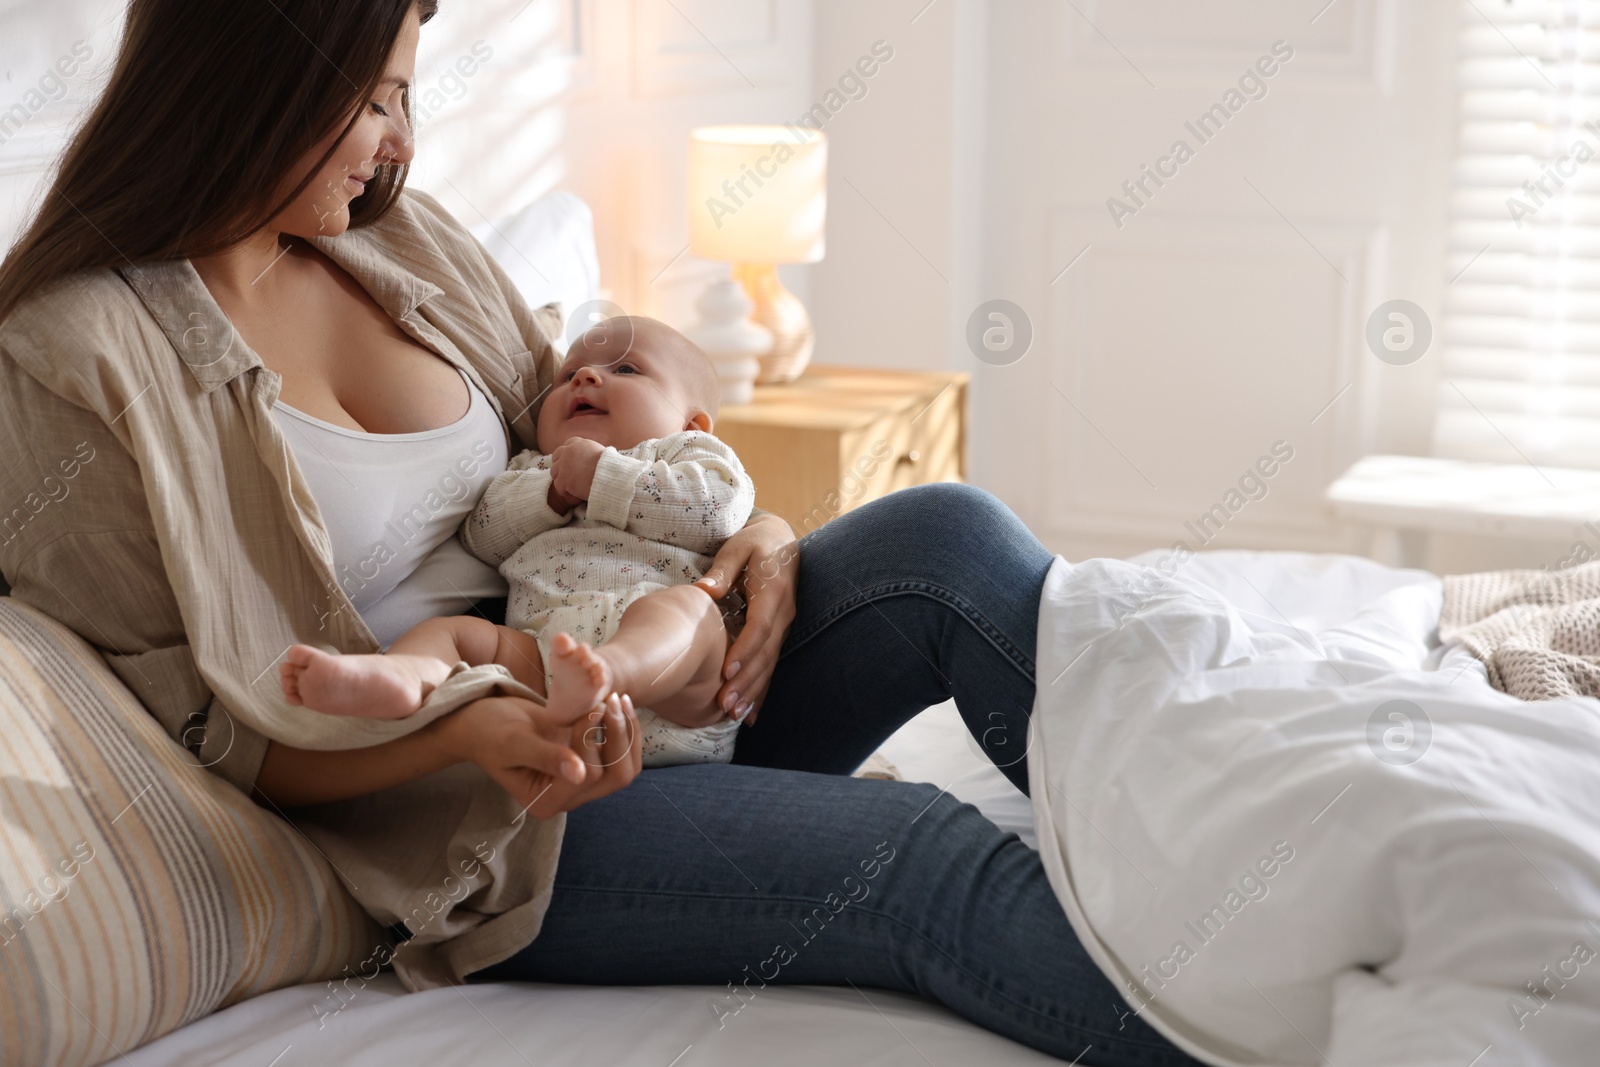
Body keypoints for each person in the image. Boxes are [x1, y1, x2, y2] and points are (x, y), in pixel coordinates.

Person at [0, 2, 1203, 1062]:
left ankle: (1237, 832)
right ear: (255, 83)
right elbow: (199, 733)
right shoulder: (76, 352)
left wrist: (760, 541)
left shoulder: (399, 241)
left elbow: (611, 446)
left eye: (404, 98)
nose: (397, 145)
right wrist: (480, 733)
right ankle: (1282, 1022)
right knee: (921, 858)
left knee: (948, 537)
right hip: (487, 807)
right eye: (370, 100)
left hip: (647, 661)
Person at [280, 315, 755, 769]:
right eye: (568, 375)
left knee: (684, 613)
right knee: (455, 635)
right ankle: (401, 677)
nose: (586, 376)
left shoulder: (683, 454)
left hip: (681, 696)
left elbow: (718, 513)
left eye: (626, 369)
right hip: (544, 668)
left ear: (692, 424)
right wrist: (551, 492)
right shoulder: (532, 469)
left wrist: (606, 479)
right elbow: (483, 538)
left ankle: (610, 671)